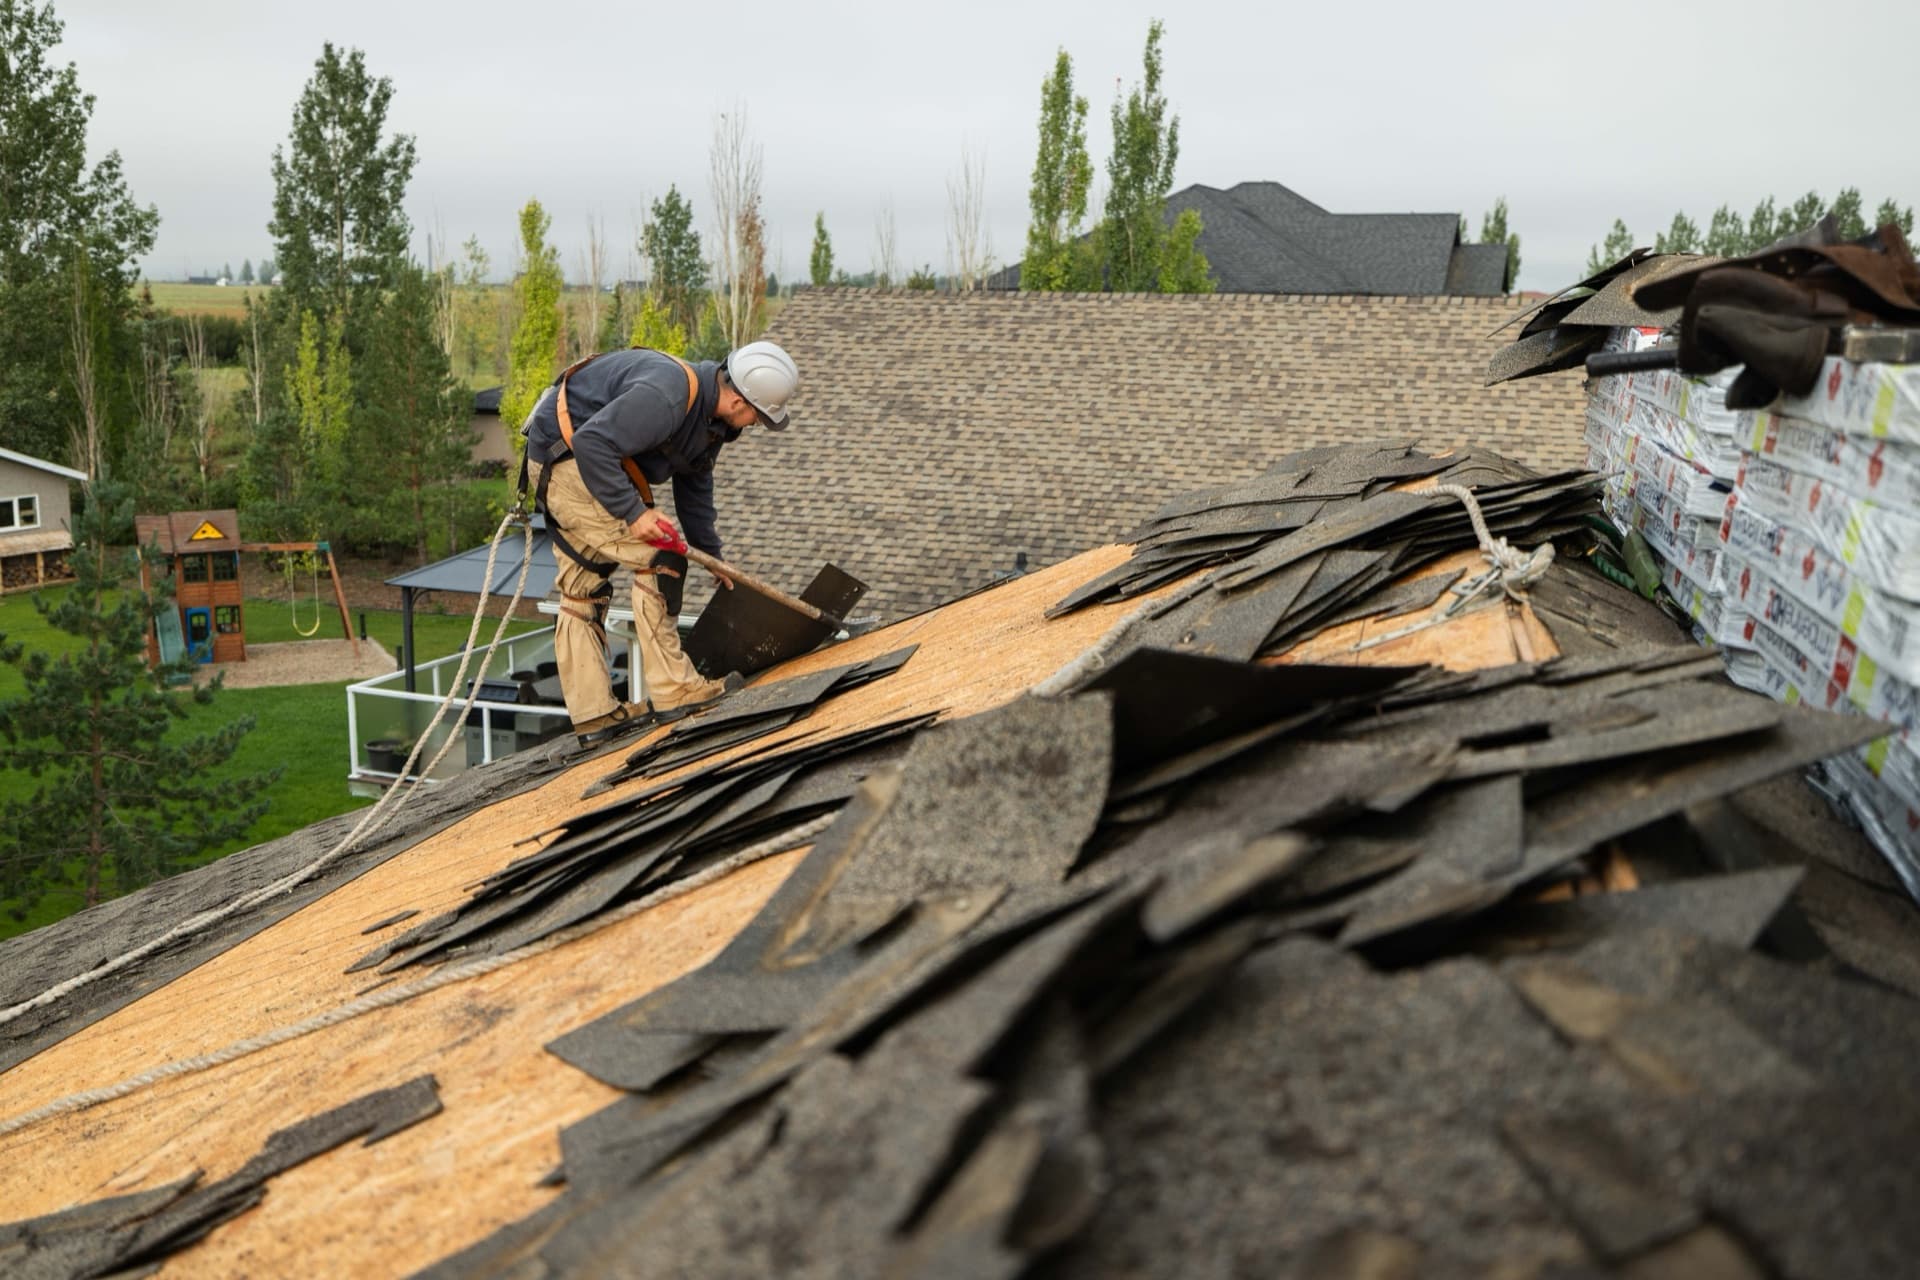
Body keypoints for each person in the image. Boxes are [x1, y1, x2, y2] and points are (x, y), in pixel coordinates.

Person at [520, 341, 799, 742]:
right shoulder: (668, 396)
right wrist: (633, 513)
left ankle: (595, 715)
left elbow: (695, 487)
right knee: (661, 559)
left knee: (583, 587)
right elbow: (592, 443)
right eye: (758, 416)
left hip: (582, 460)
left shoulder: (710, 423)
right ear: (739, 400)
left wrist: (713, 556)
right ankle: (675, 690)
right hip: (568, 459)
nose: (756, 424)